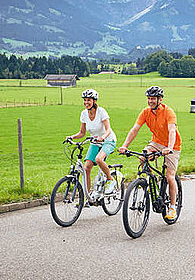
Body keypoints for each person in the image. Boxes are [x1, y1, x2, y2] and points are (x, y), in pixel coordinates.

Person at [119, 86, 181, 220]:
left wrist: (169, 147)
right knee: (142, 158)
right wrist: (124, 146)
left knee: (170, 176)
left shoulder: (168, 112)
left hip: (172, 145)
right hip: (156, 143)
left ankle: (172, 207)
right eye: (149, 98)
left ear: (160, 100)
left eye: (153, 98)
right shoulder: (146, 112)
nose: (150, 101)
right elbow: (135, 129)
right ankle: (149, 182)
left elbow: (171, 130)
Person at [67, 89, 117, 202]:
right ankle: (87, 197)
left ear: (94, 101)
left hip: (108, 140)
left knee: (99, 159)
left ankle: (110, 179)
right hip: (95, 142)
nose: (86, 103)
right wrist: (71, 137)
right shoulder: (84, 114)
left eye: (88, 100)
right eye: (84, 100)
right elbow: (82, 133)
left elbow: (108, 129)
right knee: (87, 167)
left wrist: (103, 137)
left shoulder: (101, 112)